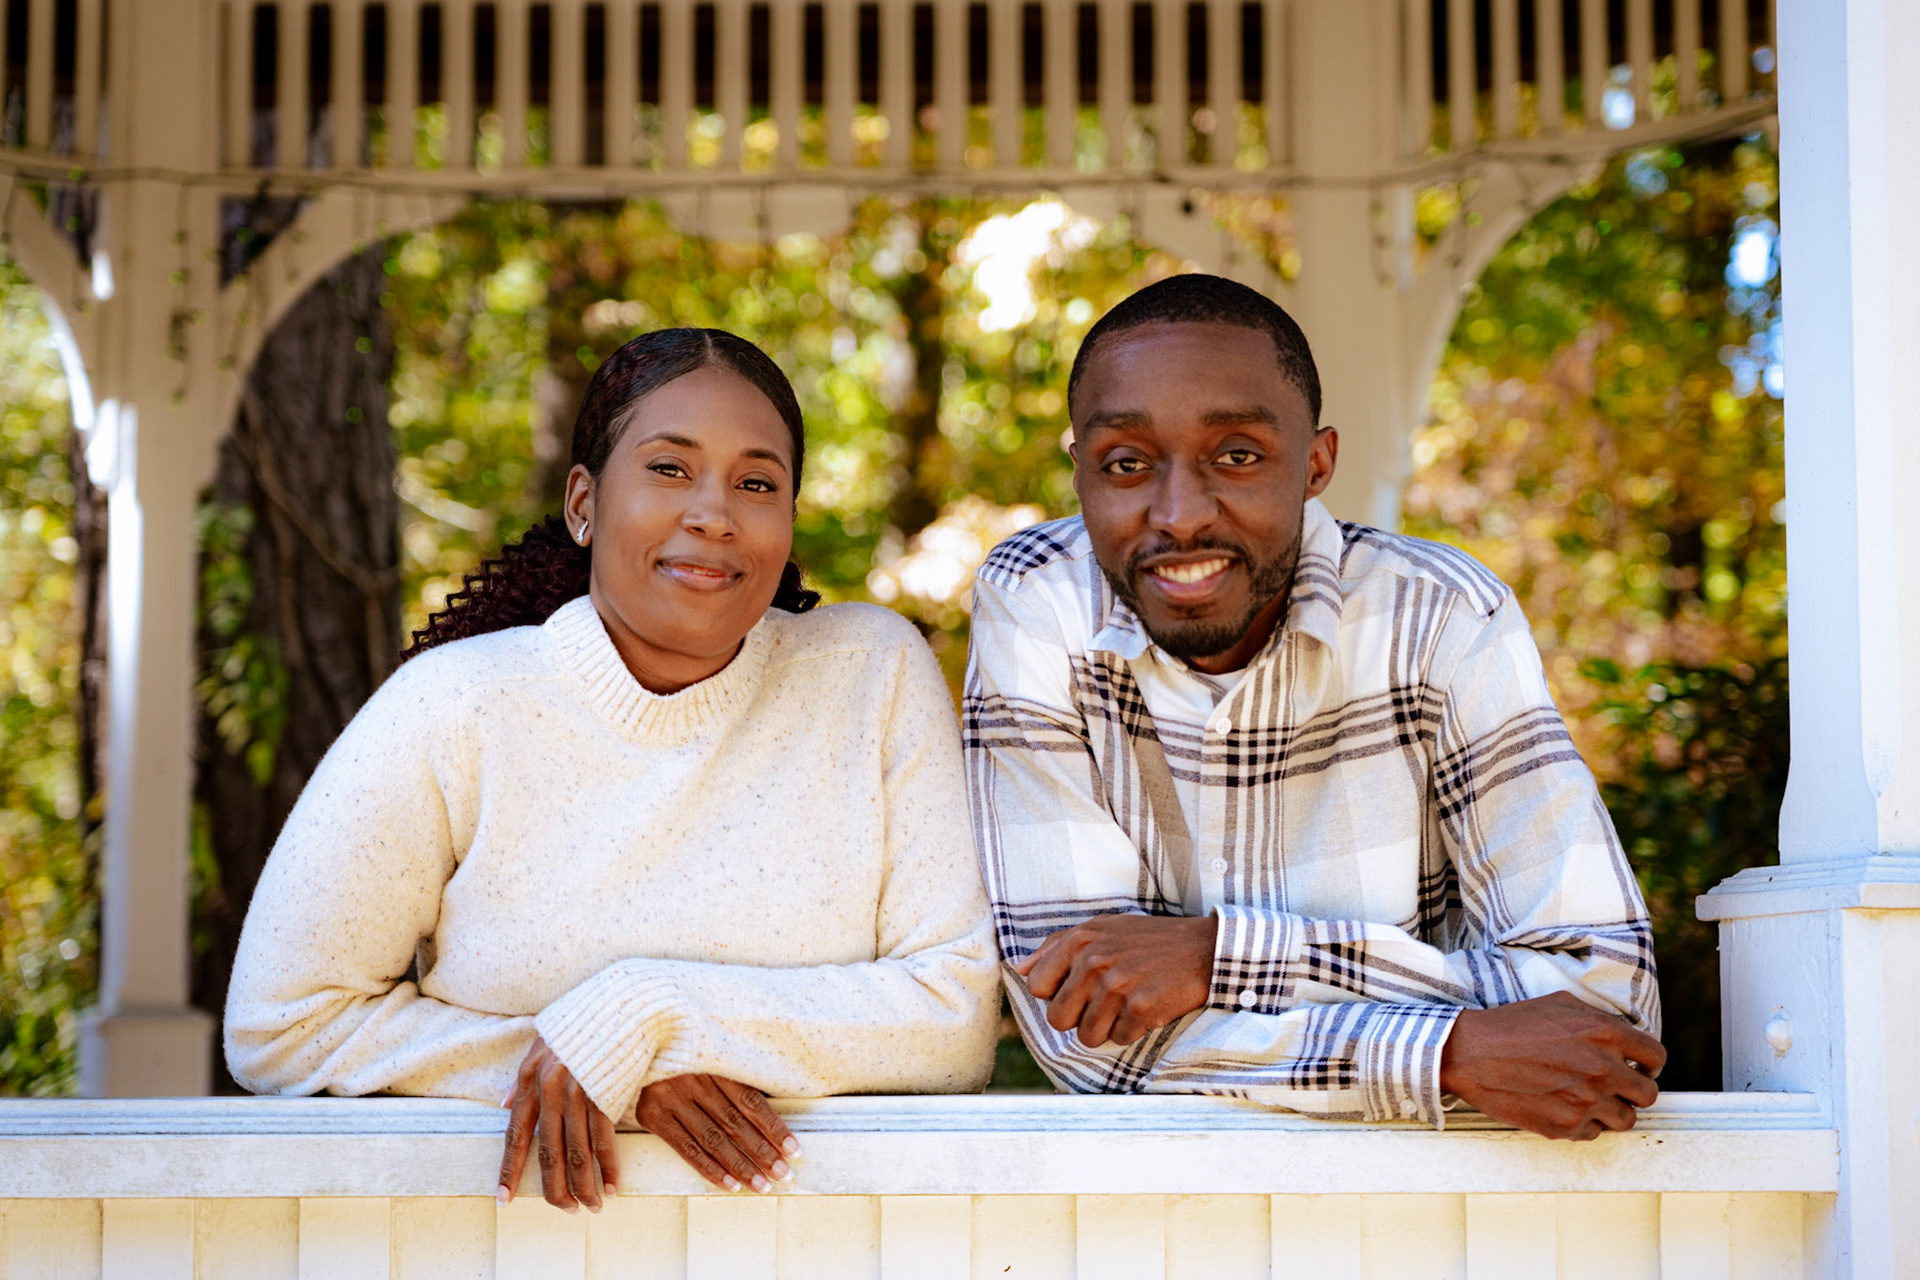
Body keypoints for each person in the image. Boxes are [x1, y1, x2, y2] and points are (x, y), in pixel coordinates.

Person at [226, 327, 999, 1210]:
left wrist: (644, 1015)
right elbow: (282, 1026)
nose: (714, 513)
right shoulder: (454, 706)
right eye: (670, 469)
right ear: (583, 503)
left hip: (829, 1249)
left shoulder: (870, 674)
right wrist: (597, 1069)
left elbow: (954, 1019)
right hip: (517, 1249)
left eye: (757, 483)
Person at [964, 274, 1664, 1139]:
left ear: (1317, 465)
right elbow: (1082, 1034)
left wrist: (1217, 958)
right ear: (1079, 473)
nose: (1179, 516)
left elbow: (1600, 1005)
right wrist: (1449, 1051)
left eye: (1237, 456)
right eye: (1127, 465)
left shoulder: (1441, 615)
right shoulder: (1036, 602)